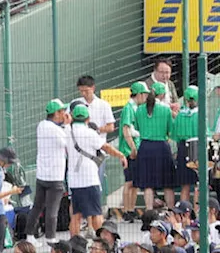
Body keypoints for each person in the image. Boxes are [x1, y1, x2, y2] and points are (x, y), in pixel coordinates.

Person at [66, 104, 126, 238]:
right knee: (96, 213)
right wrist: (121, 155)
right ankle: (101, 242)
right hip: (90, 178)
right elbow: (105, 147)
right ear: (88, 118)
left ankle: (74, 243)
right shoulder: (90, 133)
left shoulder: (67, 132)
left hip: (74, 180)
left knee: (76, 215)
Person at [27, 100, 72, 241]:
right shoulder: (57, 130)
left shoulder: (41, 125)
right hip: (55, 176)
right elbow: (68, 142)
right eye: (62, 111)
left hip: (42, 175)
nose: (65, 113)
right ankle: (51, 238)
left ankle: (29, 235)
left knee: (37, 207)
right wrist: (68, 125)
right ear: (57, 113)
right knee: (52, 210)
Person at [133, 82, 177, 212]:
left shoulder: (140, 109)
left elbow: (137, 128)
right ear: (162, 94)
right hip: (162, 147)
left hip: (145, 147)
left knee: (147, 184)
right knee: (168, 184)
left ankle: (149, 212)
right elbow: (170, 130)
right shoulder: (165, 109)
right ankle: (171, 211)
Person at [118, 82, 148, 218]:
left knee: (135, 183)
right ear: (140, 94)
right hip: (128, 150)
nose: (146, 97)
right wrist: (132, 148)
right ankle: (126, 210)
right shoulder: (128, 108)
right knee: (129, 181)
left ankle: (131, 208)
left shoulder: (136, 108)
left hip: (135, 148)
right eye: (145, 94)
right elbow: (126, 129)